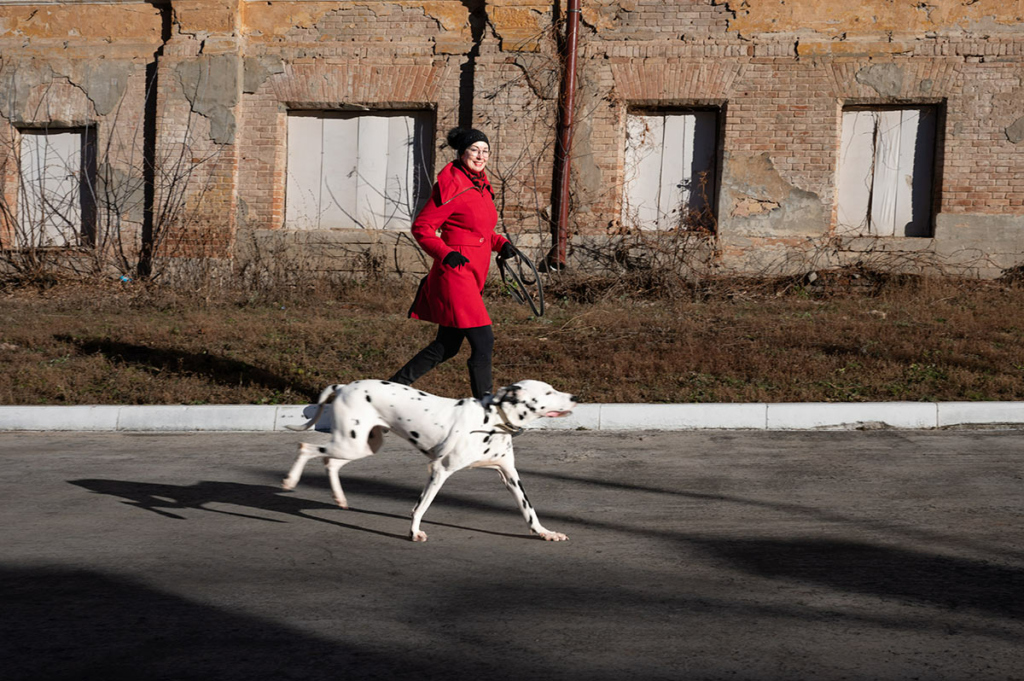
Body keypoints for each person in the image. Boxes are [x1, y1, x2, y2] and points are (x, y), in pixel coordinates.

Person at [388, 127, 516, 400]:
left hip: (473, 274)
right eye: (474, 150)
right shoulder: (451, 185)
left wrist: (501, 243)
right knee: (483, 342)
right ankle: (486, 409)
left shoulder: (481, 186)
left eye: (485, 151)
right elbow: (422, 228)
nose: (480, 156)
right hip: (456, 275)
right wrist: (445, 254)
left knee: (446, 346)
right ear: (462, 153)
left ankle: (387, 391)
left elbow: (479, 232)